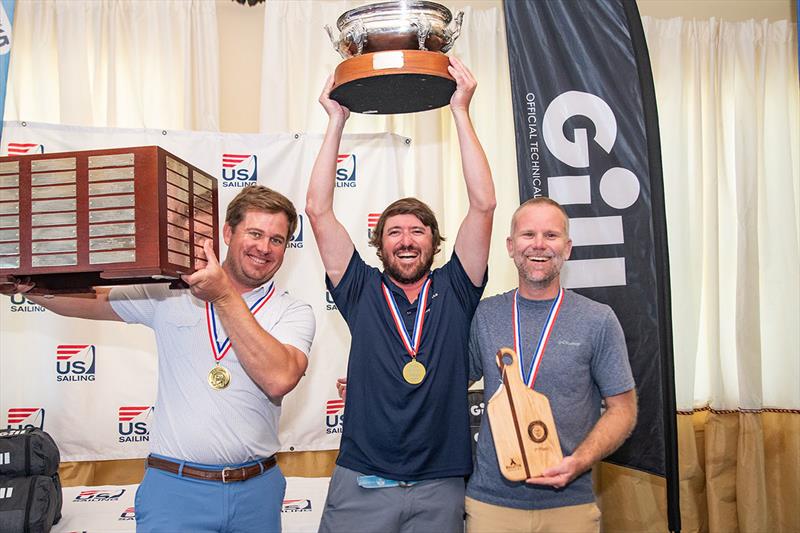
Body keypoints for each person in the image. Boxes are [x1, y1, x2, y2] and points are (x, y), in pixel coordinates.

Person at [0, 185, 315, 533]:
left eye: (277, 240)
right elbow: (93, 301)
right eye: (255, 233)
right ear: (228, 232)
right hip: (175, 489)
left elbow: (279, 378)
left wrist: (223, 295)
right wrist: (29, 287)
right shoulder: (170, 292)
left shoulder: (293, 311)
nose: (264, 248)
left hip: (257, 490)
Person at [306, 56, 495, 533]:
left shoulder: (457, 287)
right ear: (379, 242)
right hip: (362, 479)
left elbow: (484, 204)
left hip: (441, 483)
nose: (406, 239)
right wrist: (335, 122)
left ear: (435, 241)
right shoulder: (360, 288)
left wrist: (460, 111)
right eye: (394, 232)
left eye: (417, 230)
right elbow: (318, 210)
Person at [465, 197, 637, 533]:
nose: (539, 245)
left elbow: (623, 410)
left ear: (568, 247)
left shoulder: (597, 320)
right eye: (528, 235)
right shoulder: (484, 315)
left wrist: (581, 461)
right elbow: (443, 382)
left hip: (569, 504)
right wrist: (375, 386)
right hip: (491, 505)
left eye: (551, 235)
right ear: (511, 247)